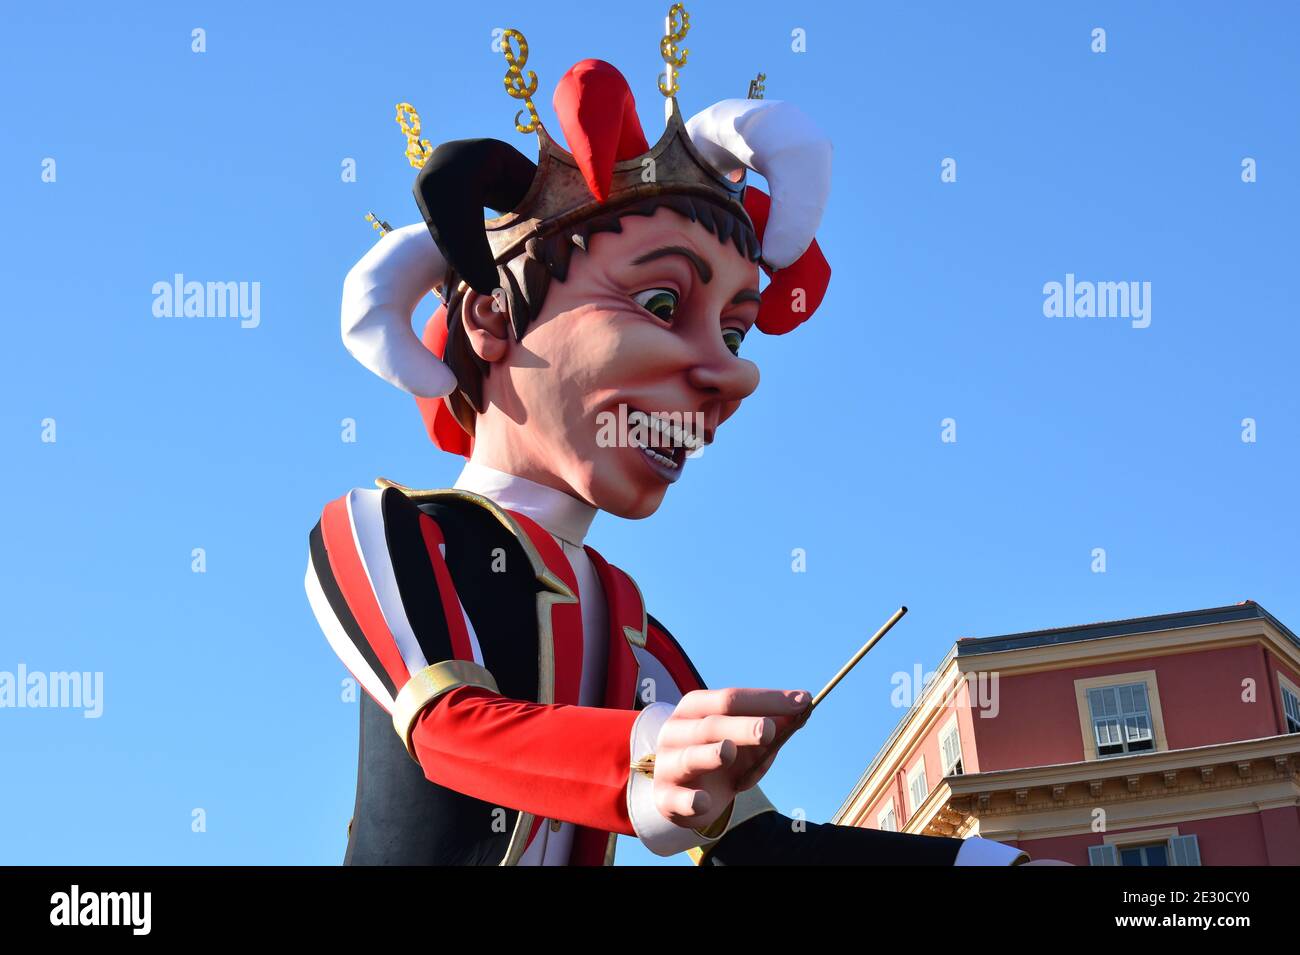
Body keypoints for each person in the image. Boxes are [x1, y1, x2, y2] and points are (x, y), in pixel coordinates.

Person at [306, 16, 1042, 866]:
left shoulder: (632, 628)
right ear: (489, 317)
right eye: (660, 304)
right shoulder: (388, 528)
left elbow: (760, 848)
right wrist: (644, 757)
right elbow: (447, 728)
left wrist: (988, 863)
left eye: (735, 335)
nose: (735, 377)